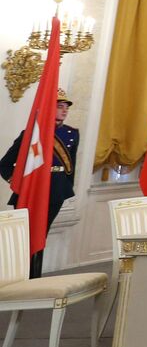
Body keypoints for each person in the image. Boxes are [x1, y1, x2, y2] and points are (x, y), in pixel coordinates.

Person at [0, 88, 79, 278]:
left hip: (56, 190)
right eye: (59, 106)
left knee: (41, 233)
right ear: (48, 109)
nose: (64, 110)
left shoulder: (72, 134)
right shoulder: (31, 134)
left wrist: (66, 188)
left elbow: (71, 166)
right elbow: (4, 164)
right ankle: (14, 274)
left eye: (66, 107)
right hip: (31, 190)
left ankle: (34, 276)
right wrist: (18, 182)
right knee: (22, 234)